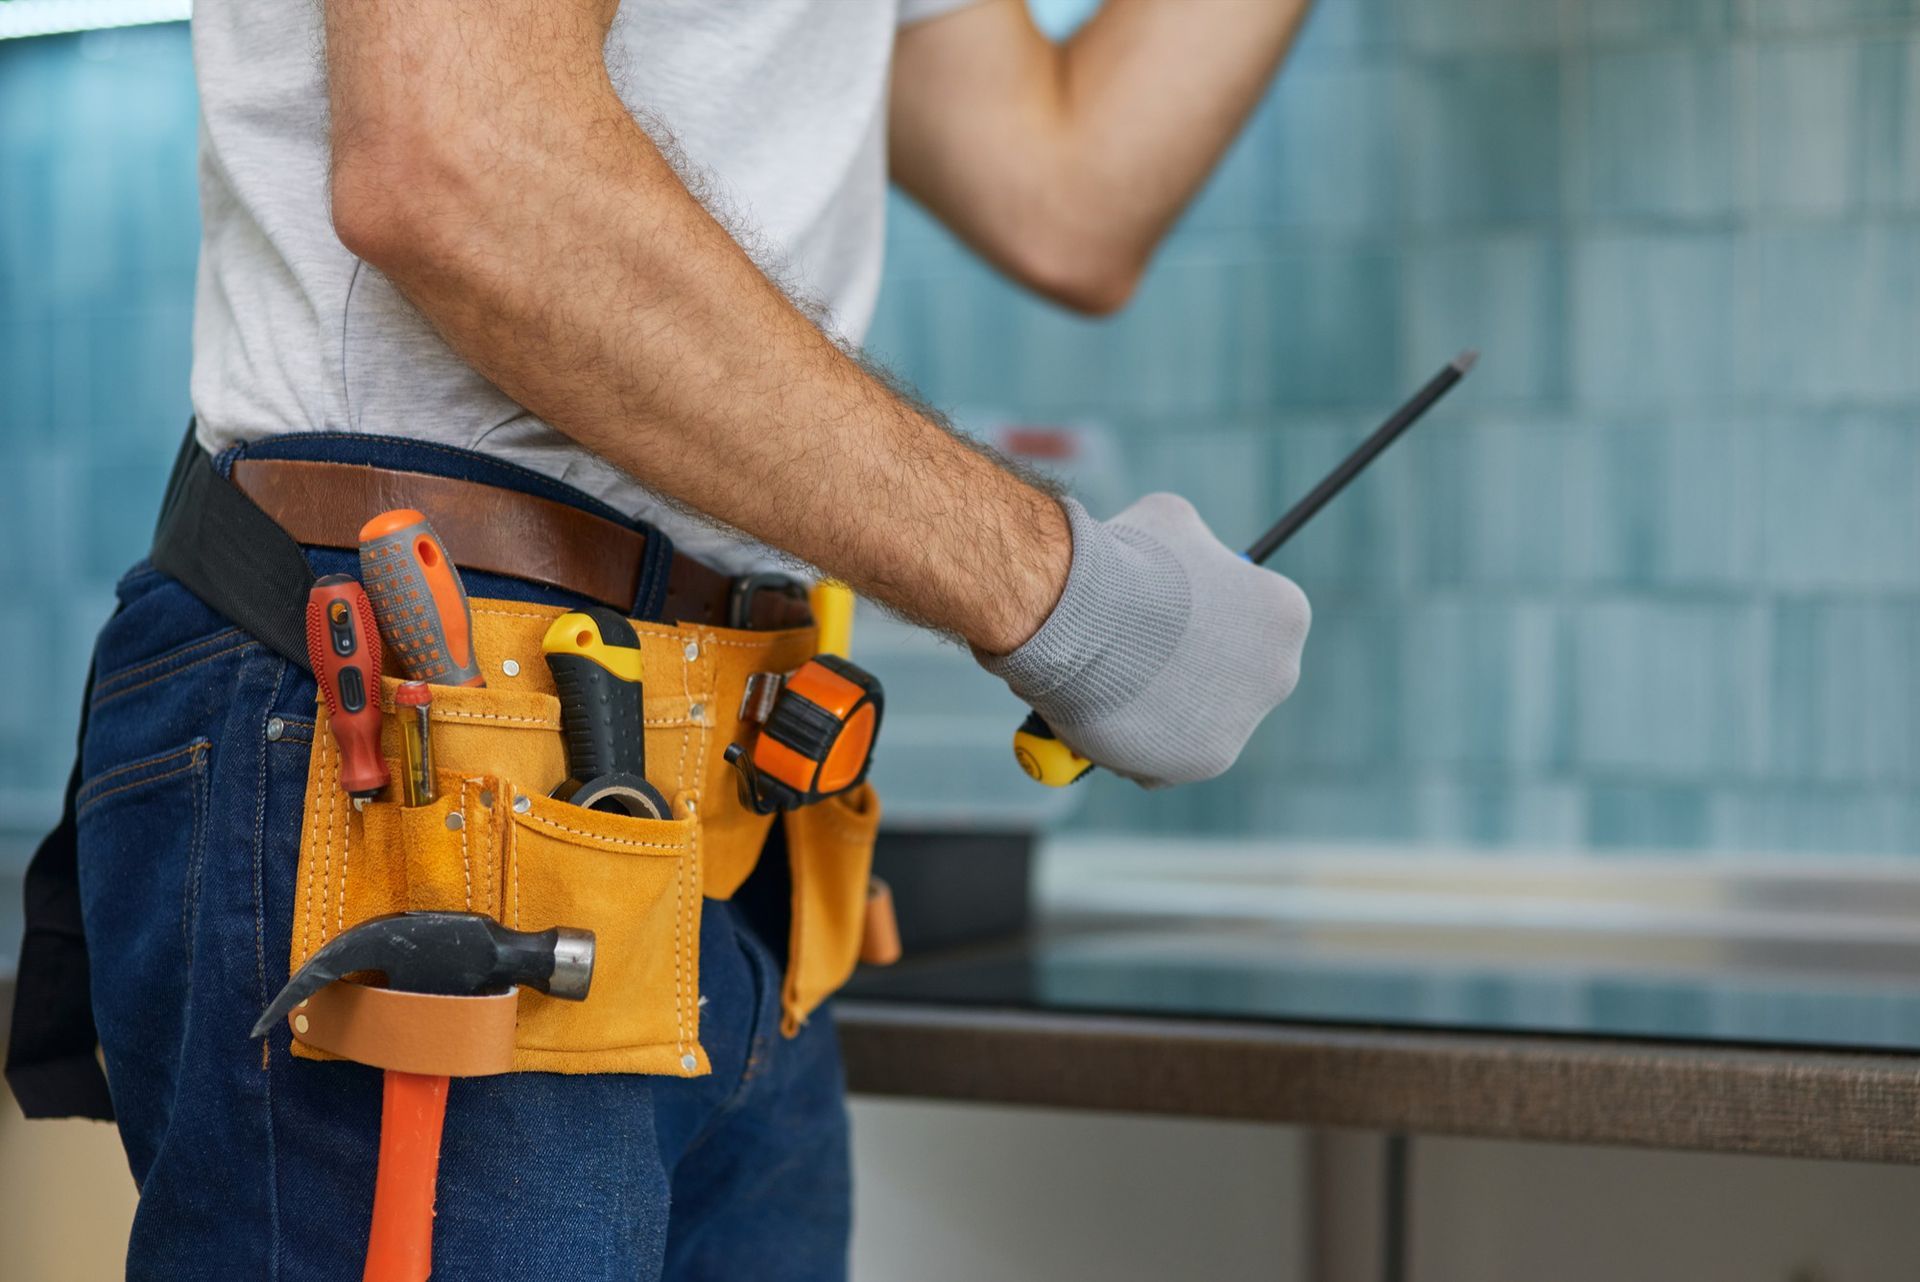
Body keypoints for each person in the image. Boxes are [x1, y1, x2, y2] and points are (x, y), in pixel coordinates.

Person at [9, 1, 1314, 1278]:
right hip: (444, 763)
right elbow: (456, 151)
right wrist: (1062, 591)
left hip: (733, 824)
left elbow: (1064, 189)